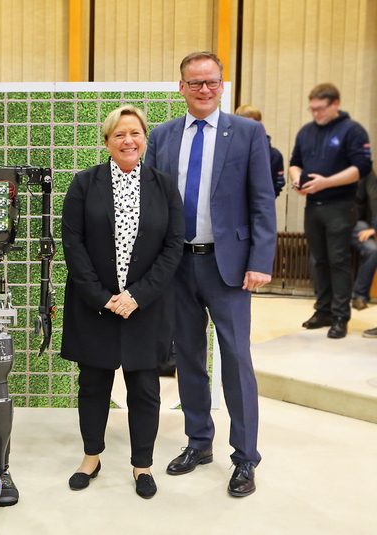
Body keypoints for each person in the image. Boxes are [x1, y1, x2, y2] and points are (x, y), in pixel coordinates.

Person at [145, 51, 277, 498]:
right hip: (177, 264)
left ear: (222, 85)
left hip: (230, 266)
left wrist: (261, 260)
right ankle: (199, 443)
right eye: (195, 83)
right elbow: (151, 204)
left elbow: (262, 200)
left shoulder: (247, 133)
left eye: (212, 82)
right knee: (187, 358)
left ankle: (244, 459)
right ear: (180, 87)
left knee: (236, 360)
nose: (204, 89)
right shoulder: (161, 137)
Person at [61, 105, 184, 498]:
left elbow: (172, 246)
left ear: (145, 139)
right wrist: (103, 298)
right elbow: (73, 245)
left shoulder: (164, 186)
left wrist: (136, 296)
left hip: (145, 308)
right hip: (94, 305)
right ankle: (91, 458)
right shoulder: (84, 183)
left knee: (145, 389)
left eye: (135, 133)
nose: (128, 140)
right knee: (93, 385)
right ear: (107, 141)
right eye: (119, 134)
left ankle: (142, 466)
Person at [290, 83, 373, 339]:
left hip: (340, 205)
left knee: (338, 261)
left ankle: (340, 316)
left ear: (334, 104)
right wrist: (297, 181)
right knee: (318, 260)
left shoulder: (352, 130)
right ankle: (323, 310)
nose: (315, 113)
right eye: (312, 109)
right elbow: (295, 163)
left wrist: (326, 182)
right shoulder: (306, 131)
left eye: (320, 109)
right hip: (313, 206)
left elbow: (362, 167)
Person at [234, 105, 285, 197]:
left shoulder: (274, 155)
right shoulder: (230, 151)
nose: (246, 128)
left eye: (250, 124)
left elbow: (278, 184)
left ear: (259, 123)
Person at [351, 170, 377, 313]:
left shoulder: (366, 171)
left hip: (357, 223)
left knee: (372, 250)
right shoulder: (330, 166)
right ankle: (325, 300)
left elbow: (375, 198)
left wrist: (374, 228)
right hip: (332, 221)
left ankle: (360, 296)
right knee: (318, 255)